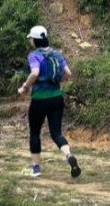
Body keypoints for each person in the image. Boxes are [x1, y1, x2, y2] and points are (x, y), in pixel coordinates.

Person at [17, 25, 81, 179]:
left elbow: (35, 72)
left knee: (35, 132)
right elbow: (68, 73)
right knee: (56, 133)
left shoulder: (34, 55)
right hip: (56, 98)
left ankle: (36, 168)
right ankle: (68, 155)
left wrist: (25, 87)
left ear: (34, 40)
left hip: (39, 99)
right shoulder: (57, 53)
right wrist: (58, 81)